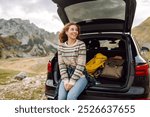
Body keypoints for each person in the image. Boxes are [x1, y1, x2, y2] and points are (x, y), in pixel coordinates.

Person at [57, 22, 88, 100]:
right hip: (66, 75)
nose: (75, 31)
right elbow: (61, 65)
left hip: (80, 75)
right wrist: (66, 80)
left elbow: (81, 65)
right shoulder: (61, 46)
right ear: (66, 32)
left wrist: (72, 82)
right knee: (61, 98)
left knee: (70, 97)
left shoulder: (81, 44)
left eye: (76, 30)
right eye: (72, 29)